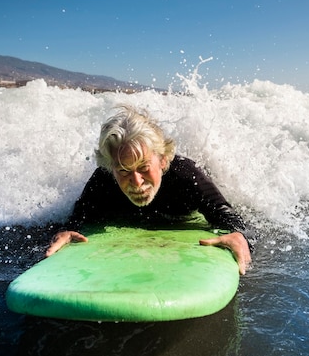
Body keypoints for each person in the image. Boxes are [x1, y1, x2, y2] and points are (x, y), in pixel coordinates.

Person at [46, 105, 253, 275]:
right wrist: (66, 231)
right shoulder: (104, 180)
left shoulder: (186, 177)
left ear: (162, 160)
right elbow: (78, 216)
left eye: (144, 168)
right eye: (124, 171)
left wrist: (240, 235)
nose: (136, 182)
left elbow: (229, 217)